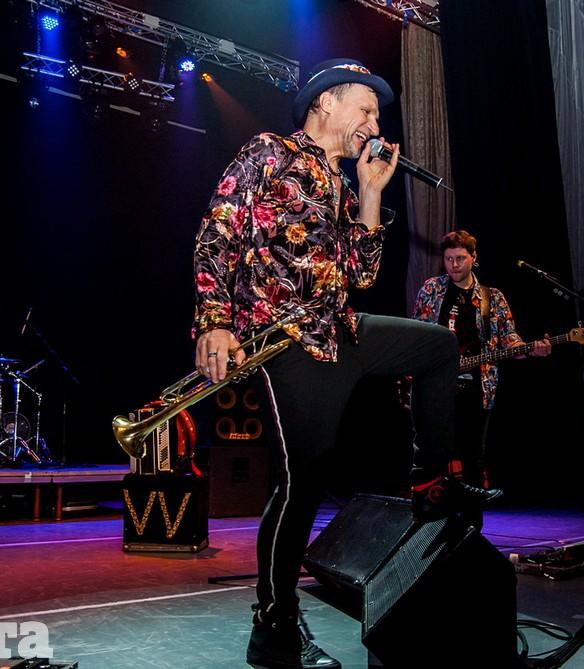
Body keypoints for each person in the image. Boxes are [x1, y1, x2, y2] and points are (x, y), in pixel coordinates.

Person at [193, 58, 501, 669]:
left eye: (377, 115)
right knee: (301, 483)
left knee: (437, 346)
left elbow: (360, 275)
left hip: (341, 329)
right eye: (366, 109)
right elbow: (216, 233)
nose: (375, 124)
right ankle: (274, 628)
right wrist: (214, 320)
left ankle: (430, 480)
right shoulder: (269, 151)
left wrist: (371, 192)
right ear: (325, 102)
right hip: (287, 341)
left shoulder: (339, 180)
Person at [413, 230, 551, 507]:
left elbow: (509, 338)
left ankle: (471, 521)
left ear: (474, 257)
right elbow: (416, 333)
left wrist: (530, 349)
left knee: (473, 455)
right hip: (437, 385)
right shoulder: (431, 290)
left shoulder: (493, 298)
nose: (454, 265)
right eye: (449, 259)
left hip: (478, 386)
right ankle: (429, 513)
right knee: (433, 454)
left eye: (460, 258)